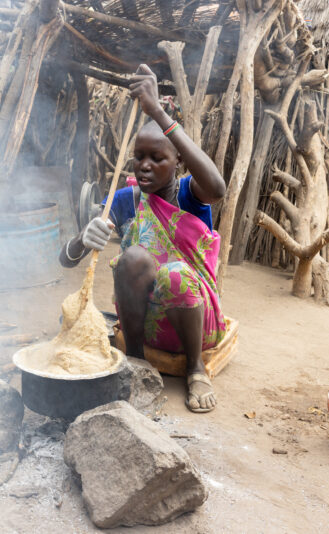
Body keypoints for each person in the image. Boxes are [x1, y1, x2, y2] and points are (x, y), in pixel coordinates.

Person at [59, 64, 227, 413]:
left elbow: (218, 187)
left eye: (157, 158)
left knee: (174, 273)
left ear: (178, 160)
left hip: (195, 324)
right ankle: (135, 360)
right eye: (139, 157)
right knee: (131, 257)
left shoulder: (190, 195)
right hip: (145, 325)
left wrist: (159, 112)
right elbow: (66, 259)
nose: (144, 166)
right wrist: (82, 239)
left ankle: (196, 369)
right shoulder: (126, 200)